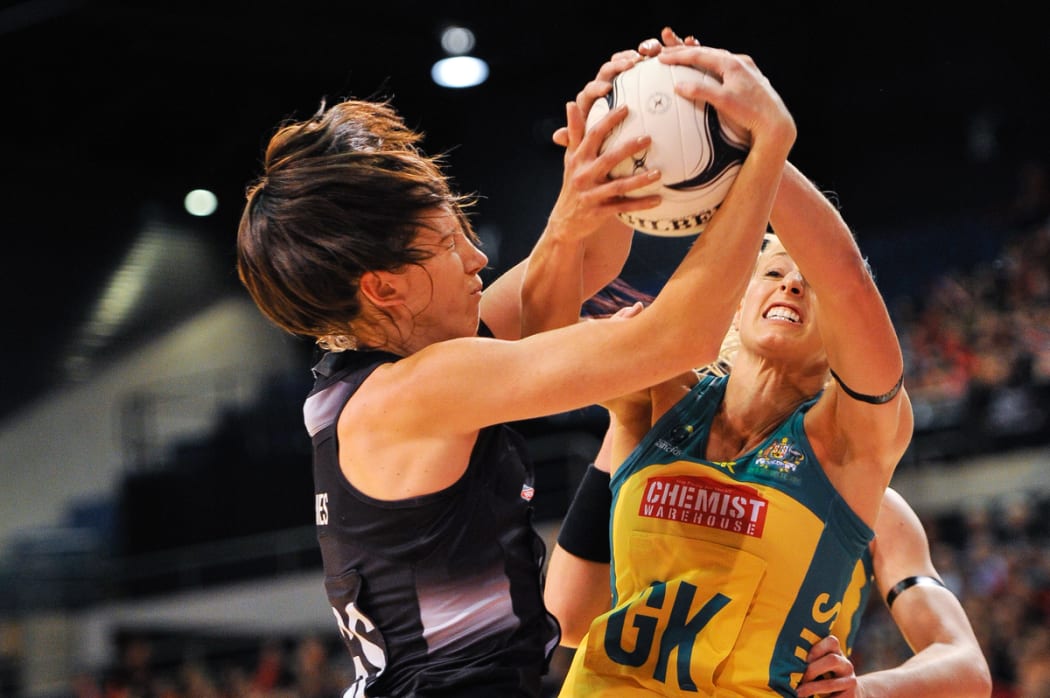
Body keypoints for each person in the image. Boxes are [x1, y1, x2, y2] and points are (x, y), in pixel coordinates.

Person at [234, 39, 796, 698]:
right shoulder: (415, 391)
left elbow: (591, 268)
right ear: (384, 288)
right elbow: (682, 336)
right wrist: (769, 146)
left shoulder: (397, 367)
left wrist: (614, 138)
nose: (477, 257)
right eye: (449, 243)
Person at [529, 30, 915, 696]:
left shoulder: (849, 443)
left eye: (807, 283)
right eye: (772, 271)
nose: (794, 285)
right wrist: (584, 200)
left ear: (843, 343)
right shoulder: (664, 396)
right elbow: (541, 352)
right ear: (734, 306)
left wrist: (758, 143)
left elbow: (846, 277)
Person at [547, 448, 992, 697]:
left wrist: (866, 693)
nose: (789, 288)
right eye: (773, 274)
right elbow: (568, 617)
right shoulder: (667, 458)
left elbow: (967, 667)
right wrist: (624, 422)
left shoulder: (874, 505)